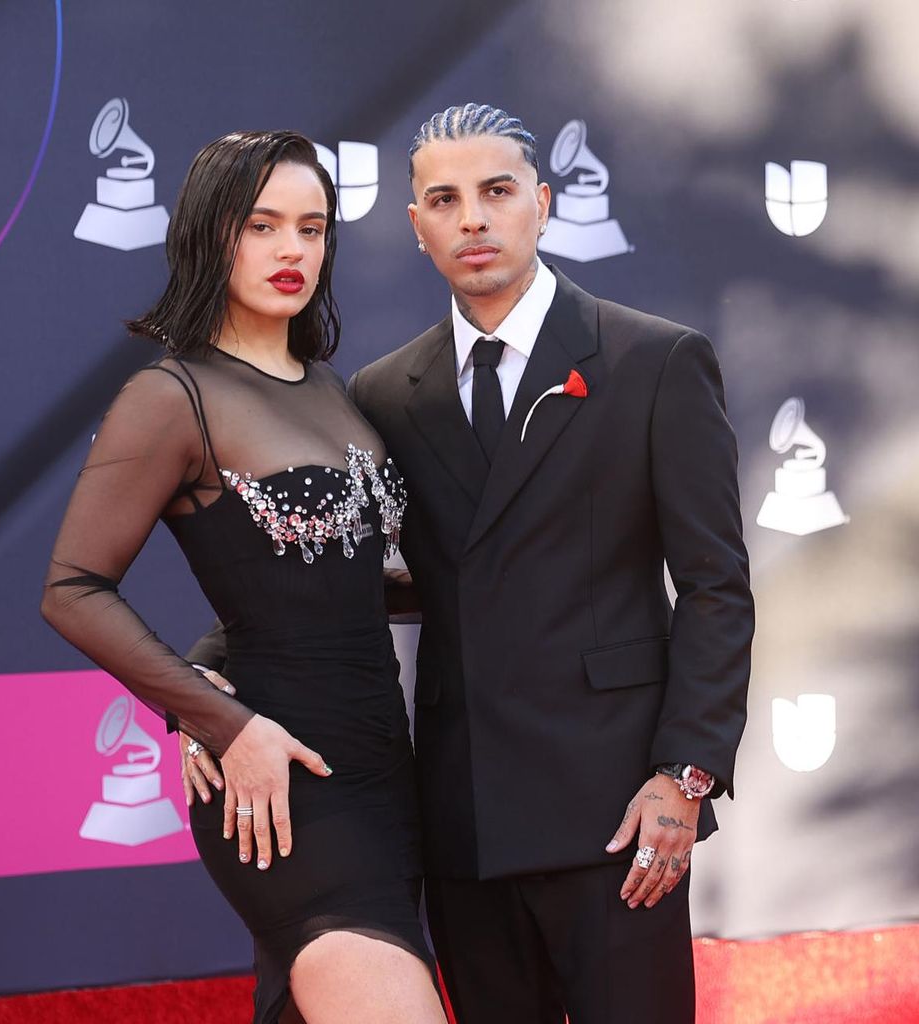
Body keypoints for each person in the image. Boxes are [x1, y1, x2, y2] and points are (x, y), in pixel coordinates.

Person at [190, 104, 754, 1024]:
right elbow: (333, 566)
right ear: (416, 226)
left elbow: (716, 587)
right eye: (444, 200)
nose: (473, 220)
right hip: (462, 814)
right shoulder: (384, 393)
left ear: (541, 201)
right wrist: (213, 672)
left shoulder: (654, 362)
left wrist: (684, 777)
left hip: (615, 809)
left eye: (495, 193)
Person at [41, 130, 447, 1024]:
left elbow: (314, 582)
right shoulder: (171, 396)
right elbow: (70, 588)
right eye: (261, 225)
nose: (291, 248)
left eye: (312, 227)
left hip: (388, 770)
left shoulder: (330, 386)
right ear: (209, 235)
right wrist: (219, 717)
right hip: (283, 781)